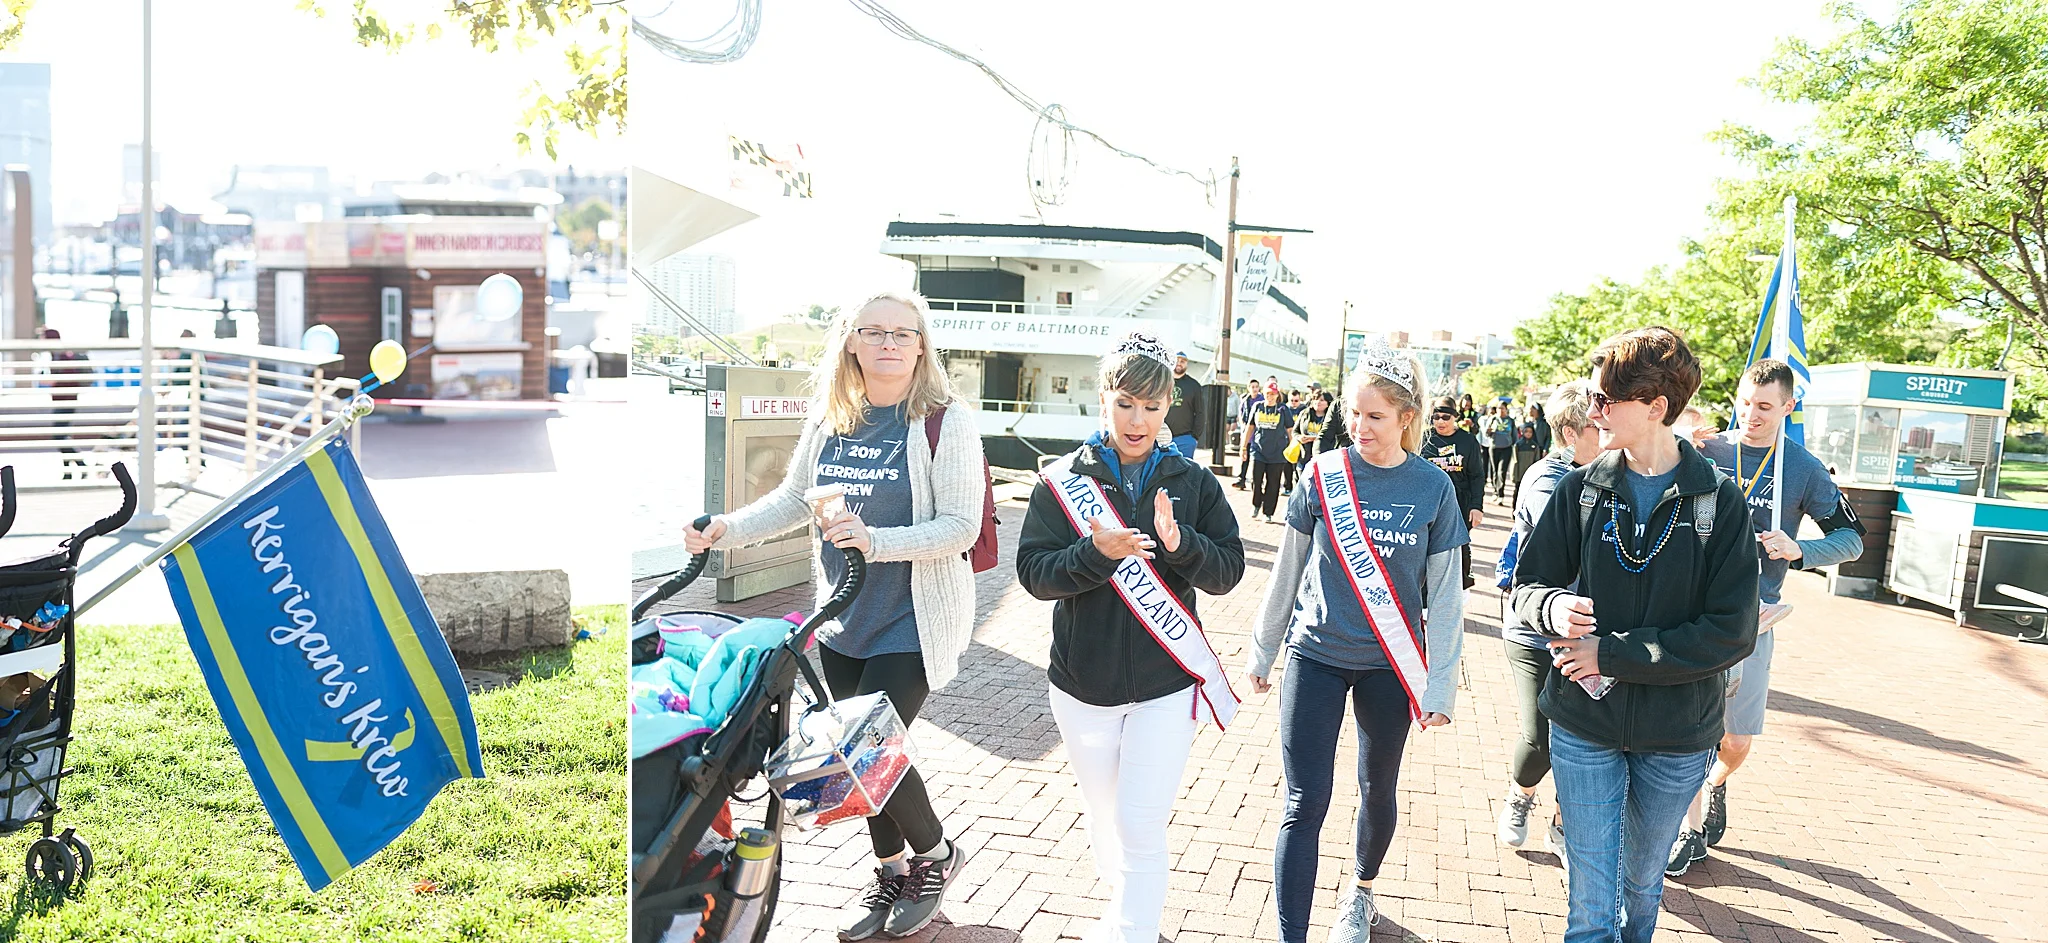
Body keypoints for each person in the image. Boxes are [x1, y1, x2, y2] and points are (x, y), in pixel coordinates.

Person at [681, 291, 980, 941]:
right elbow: (793, 500)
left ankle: (935, 855)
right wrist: (725, 528)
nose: (890, 344)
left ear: (923, 345)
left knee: (867, 746)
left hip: (914, 616)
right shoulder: (831, 416)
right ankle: (890, 868)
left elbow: (961, 526)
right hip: (844, 618)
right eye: (874, 332)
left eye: (905, 333)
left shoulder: (942, 420)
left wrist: (877, 540)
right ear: (850, 342)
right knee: (858, 755)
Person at [1509, 326, 1758, 943]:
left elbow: (1731, 632)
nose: (1593, 412)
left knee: (1643, 886)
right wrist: (1553, 605)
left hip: (1677, 735)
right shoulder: (1582, 489)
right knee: (1592, 895)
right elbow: (1527, 582)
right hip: (1583, 724)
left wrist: (1612, 653)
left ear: (1654, 407)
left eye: (1605, 400)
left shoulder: (1720, 504)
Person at [1015, 332, 1245, 943]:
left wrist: (1182, 545)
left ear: (1170, 402)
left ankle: (1130, 930)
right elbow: (1033, 574)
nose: (1136, 419)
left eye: (1150, 405)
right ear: (1103, 399)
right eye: (1124, 403)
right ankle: (1123, 906)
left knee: (1141, 824)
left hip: (1167, 684)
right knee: (1105, 815)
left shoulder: (1195, 483)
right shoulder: (1061, 480)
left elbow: (1228, 572)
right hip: (1081, 686)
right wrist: (1093, 554)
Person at [1246, 341, 1468, 943]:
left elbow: (1446, 595)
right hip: (1314, 655)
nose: (1360, 426)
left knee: (1378, 788)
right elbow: (1286, 571)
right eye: (1354, 413)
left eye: (1375, 416)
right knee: (1303, 802)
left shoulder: (1433, 488)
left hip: (1387, 669)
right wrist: (1263, 651)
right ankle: (1292, 934)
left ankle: (1361, 891)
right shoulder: (1321, 474)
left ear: (1405, 418)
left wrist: (1440, 684)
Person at [1669, 358, 1866, 876]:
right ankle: (1684, 830)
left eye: (1763, 407)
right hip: (1691, 609)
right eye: (1744, 403)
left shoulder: (1804, 467)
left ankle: (1716, 783)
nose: (1750, 416)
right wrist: (1678, 437)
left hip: (1755, 618)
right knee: (1685, 726)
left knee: (1735, 738)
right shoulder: (1707, 449)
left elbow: (1851, 540)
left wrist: (1798, 549)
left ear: (1786, 407)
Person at [1493, 382, 1602, 860]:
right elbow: (1572, 538)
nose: (1608, 434)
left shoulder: (1608, 471)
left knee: (1583, 738)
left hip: (1590, 632)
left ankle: (1561, 823)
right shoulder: (1547, 477)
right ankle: (1521, 795)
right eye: (1599, 427)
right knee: (1541, 736)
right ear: (1574, 432)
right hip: (1534, 631)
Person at [1422, 397, 1485, 590]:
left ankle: (1459, 589)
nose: (1440, 422)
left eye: (1446, 417)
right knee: (1425, 547)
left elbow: (1477, 476)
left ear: (1455, 417)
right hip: (1429, 503)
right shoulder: (1424, 438)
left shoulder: (1468, 441)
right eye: (1436, 417)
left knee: (1458, 547)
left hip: (1460, 503)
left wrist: (1476, 506)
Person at [1246, 382, 1296, 523]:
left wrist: (1293, 448)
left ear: (1277, 395)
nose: (1270, 396)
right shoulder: (1258, 406)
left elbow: (1290, 430)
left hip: (1277, 452)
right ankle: (1256, 504)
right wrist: (1244, 447)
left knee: (1273, 484)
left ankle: (1268, 512)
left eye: (1273, 394)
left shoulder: (1282, 409)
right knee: (1256, 479)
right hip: (1258, 450)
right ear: (1264, 393)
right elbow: (1250, 428)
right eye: (1268, 393)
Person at [1166, 351, 1204, 459]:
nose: (1179, 363)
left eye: (1182, 361)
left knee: (1184, 473)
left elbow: (1200, 412)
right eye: (1176, 360)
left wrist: (1194, 437)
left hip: (1185, 439)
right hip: (1162, 437)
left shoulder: (1194, 385)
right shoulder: (1162, 382)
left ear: (1186, 364)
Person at [1292, 391, 1333, 484]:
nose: (1318, 402)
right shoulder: (1304, 413)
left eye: (1322, 400)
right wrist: (1299, 437)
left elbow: (1334, 436)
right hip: (1304, 456)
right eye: (1315, 399)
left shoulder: (1331, 418)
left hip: (1322, 457)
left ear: (1328, 403)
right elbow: (1295, 431)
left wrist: (1315, 438)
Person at [1484, 402, 1516, 503]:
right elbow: (1486, 434)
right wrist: (1489, 431)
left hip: (1506, 447)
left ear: (1506, 409)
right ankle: (1495, 491)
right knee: (1494, 470)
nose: (1500, 411)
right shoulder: (1493, 419)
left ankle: (1501, 493)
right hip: (1494, 447)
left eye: (1502, 408)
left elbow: (1514, 435)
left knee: (1502, 471)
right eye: (1498, 408)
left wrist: (1514, 446)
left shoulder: (1510, 421)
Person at [1235, 379, 1263, 490]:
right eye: (1252, 387)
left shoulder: (1262, 400)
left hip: (1258, 435)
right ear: (1249, 388)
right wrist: (1244, 427)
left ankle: (1256, 482)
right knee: (1244, 458)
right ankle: (1241, 479)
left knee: (1256, 460)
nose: (1254, 389)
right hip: (1247, 434)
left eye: (1256, 386)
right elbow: (1241, 416)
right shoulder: (1245, 401)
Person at [1281, 388, 1308, 496]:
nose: (1294, 403)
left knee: (1298, 467)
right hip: (1287, 442)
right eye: (1292, 400)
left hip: (1300, 444)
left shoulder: (1304, 410)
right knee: (1286, 466)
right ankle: (1288, 487)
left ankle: (1298, 489)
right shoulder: (1285, 409)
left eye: (1296, 400)